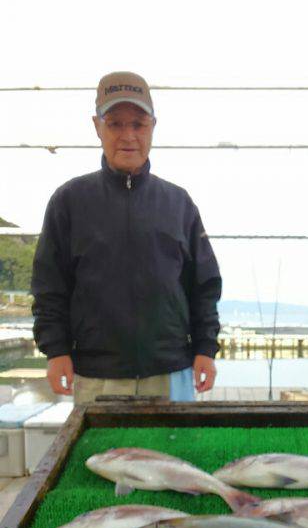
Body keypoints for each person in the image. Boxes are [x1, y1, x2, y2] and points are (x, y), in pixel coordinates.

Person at [31, 71, 222, 404]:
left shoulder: (179, 203)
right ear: (97, 127)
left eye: (138, 124)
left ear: (153, 126)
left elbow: (203, 284)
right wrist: (56, 350)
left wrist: (205, 347)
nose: (128, 136)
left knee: (176, 443)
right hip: (96, 375)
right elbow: (50, 285)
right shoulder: (69, 201)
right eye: (115, 124)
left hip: (171, 371)